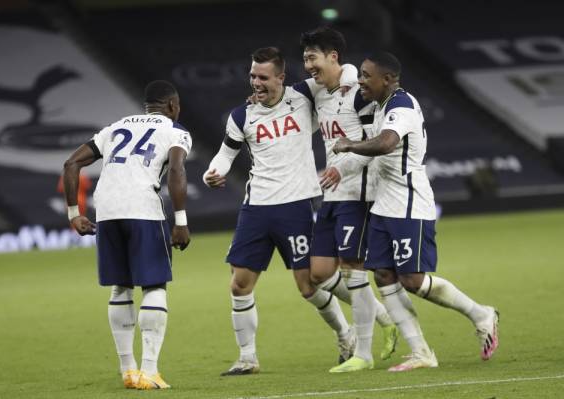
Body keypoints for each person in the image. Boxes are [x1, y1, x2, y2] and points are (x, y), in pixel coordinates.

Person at [333, 52, 499, 372]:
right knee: (382, 274)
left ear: (389, 79)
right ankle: (421, 351)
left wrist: (350, 144)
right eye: (361, 74)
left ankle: (481, 314)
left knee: (411, 279)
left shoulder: (402, 105)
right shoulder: (382, 104)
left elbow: (385, 143)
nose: (361, 81)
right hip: (385, 203)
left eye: (368, 76)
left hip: (409, 202)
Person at [203, 47, 358, 376]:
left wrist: (352, 80)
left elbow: (345, 70)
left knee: (308, 287)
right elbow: (225, 155)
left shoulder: (303, 95)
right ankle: (247, 358)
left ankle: (347, 334)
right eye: (252, 76)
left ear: (281, 77)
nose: (256, 83)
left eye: (262, 77)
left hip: (296, 204)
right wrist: (212, 172)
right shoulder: (241, 116)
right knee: (239, 284)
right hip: (256, 208)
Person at [62, 80, 192, 389]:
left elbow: (71, 164)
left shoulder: (115, 127)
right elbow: (176, 170)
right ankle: (149, 370)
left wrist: (74, 215)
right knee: (154, 285)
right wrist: (181, 221)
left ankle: (128, 371)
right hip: (142, 207)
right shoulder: (175, 132)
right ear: (173, 106)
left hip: (106, 209)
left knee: (120, 288)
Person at [299, 26, 398, 373]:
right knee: (320, 273)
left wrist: (343, 169)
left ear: (333, 57)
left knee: (352, 269)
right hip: (333, 194)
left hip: (359, 193)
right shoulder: (319, 92)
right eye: (305, 59)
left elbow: (376, 146)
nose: (308, 65)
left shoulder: (360, 92)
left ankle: (363, 354)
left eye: (313, 58)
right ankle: (384, 316)